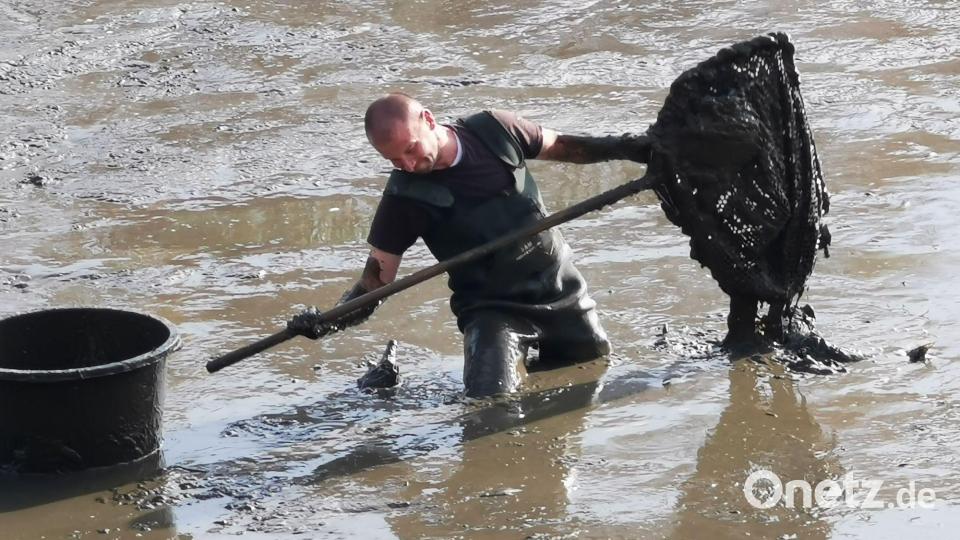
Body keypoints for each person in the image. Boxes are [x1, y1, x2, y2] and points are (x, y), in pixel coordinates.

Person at [289, 93, 650, 397]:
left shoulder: (495, 131)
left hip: (561, 289)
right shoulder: (403, 198)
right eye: (395, 160)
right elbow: (375, 284)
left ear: (428, 120)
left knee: (592, 370)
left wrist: (636, 149)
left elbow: (568, 148)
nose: (408, 164)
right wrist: (325, 323)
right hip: (492, 311)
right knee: (489, 404)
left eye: (411, 150)